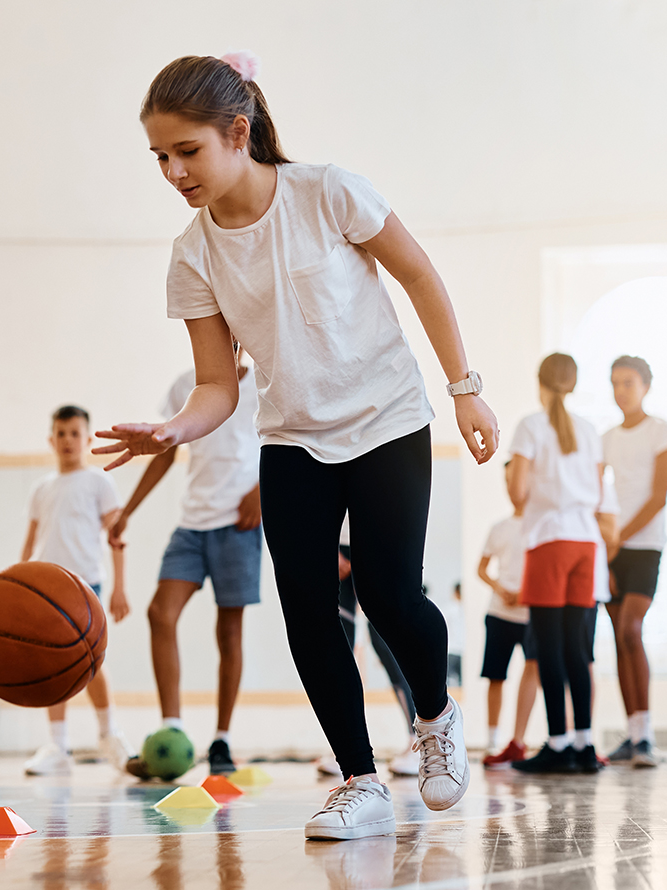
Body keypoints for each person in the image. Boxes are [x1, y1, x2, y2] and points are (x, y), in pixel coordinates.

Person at [97, 51, 499, 840]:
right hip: (292, 439)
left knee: (389, 595)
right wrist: (172, 429)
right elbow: (218, 384)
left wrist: (464, 387)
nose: (174, 171)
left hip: (386, 419)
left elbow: (418, 276)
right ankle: (359, 781)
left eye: (187, 151)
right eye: (160, 158)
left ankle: (437, 713)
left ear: (237, 132)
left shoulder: (327, 192)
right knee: (308, 612)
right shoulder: (193, 253)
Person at [110, 346, 262, 778]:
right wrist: (127, 510)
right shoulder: (185, 385)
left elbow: (289, 443)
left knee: (229, 632)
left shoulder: (266, 385)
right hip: (192, 525)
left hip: (240, 524)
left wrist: (263, 492)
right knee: (161, 613)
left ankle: (221, 739)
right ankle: (172, 731)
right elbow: (165, 451)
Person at [21, 405, 135, 776]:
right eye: (61, 433)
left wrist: (119, 588)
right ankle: (58, 744)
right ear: (51, 440)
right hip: (45, 587)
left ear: (87, 440)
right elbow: (31, 541)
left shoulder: (98, 482)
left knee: (89, 662)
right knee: (52, 664)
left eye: (75, 433)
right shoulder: (41, 489)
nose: (68, 440)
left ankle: (109, 735)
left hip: (85, 584)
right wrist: (18, 585)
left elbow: (116, 537)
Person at [511, 354, 604, 775]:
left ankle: (558, 743)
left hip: (549, 540)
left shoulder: (531, 426)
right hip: (586, 543)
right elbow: (599, 492)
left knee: (547, 648)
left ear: (540, 382)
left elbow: (517, 493)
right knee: (577, 649)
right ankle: (585, 745)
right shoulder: (589, 430)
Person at [601, 355, 667, 768]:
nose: (620, 390)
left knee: (631, 628)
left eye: (628, 382)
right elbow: (596, 493)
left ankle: (645, 738)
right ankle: (632, 735)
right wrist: (606, 544)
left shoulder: (661, 431)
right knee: (617, 636)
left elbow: (658, 497)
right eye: (614, 383)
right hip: (612, 550)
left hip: (644, 546)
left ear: (645, 385)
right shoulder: (607, 437)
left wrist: (619, 540)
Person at [316, 524, 421, 780]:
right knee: (340, 645)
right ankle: (345, 747)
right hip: (338, 545)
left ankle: (417, 741)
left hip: (374, 538)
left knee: (386, 644)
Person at [477, 460, 535, 766]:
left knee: (533, 672)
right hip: (499, 614)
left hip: (531, 615)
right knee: (495, 677)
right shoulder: (498, 528)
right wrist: (501, 589)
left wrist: (527, 594)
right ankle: (491, 741)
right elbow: (482, 570)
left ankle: (519, 740)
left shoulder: (540, 526)